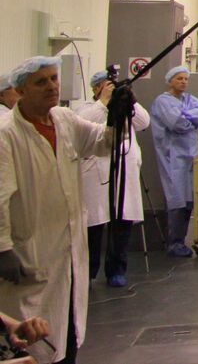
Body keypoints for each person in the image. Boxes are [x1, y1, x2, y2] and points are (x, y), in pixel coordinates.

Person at [0, 55, 119, 364]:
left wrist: (118, 117)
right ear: (21, 91)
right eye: (41, 82)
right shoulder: (6, 134)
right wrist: (2, 248)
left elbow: (101, 143)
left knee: (67, 329)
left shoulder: (63, 120)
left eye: (54, 79)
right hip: (29, 249)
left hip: (66, 247)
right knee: (31, 337)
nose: (52, 86)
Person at [77, 72, 149, 288]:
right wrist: (104, 102)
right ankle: (88, 272)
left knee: (122, 222)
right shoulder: (85, 108)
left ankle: (116, 269)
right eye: (105, 86)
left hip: (124, 173)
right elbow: (87, 123)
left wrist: (130, 99)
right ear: (95, 89)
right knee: (95, 226)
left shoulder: (126, 106)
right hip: (96, 175)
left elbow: (144, 122)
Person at [149, 66, 198, 259]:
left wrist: (188, 117)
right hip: (172, 156)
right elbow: (176, 123)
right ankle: (174, 242)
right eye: (179, 79)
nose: (183, 82)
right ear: (170, 81)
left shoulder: (188, 99)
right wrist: (190, 119)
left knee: (188, 198)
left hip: (189, 155)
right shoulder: (162, 101)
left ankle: (182, 239)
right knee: (176, 197)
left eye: (185, 79)